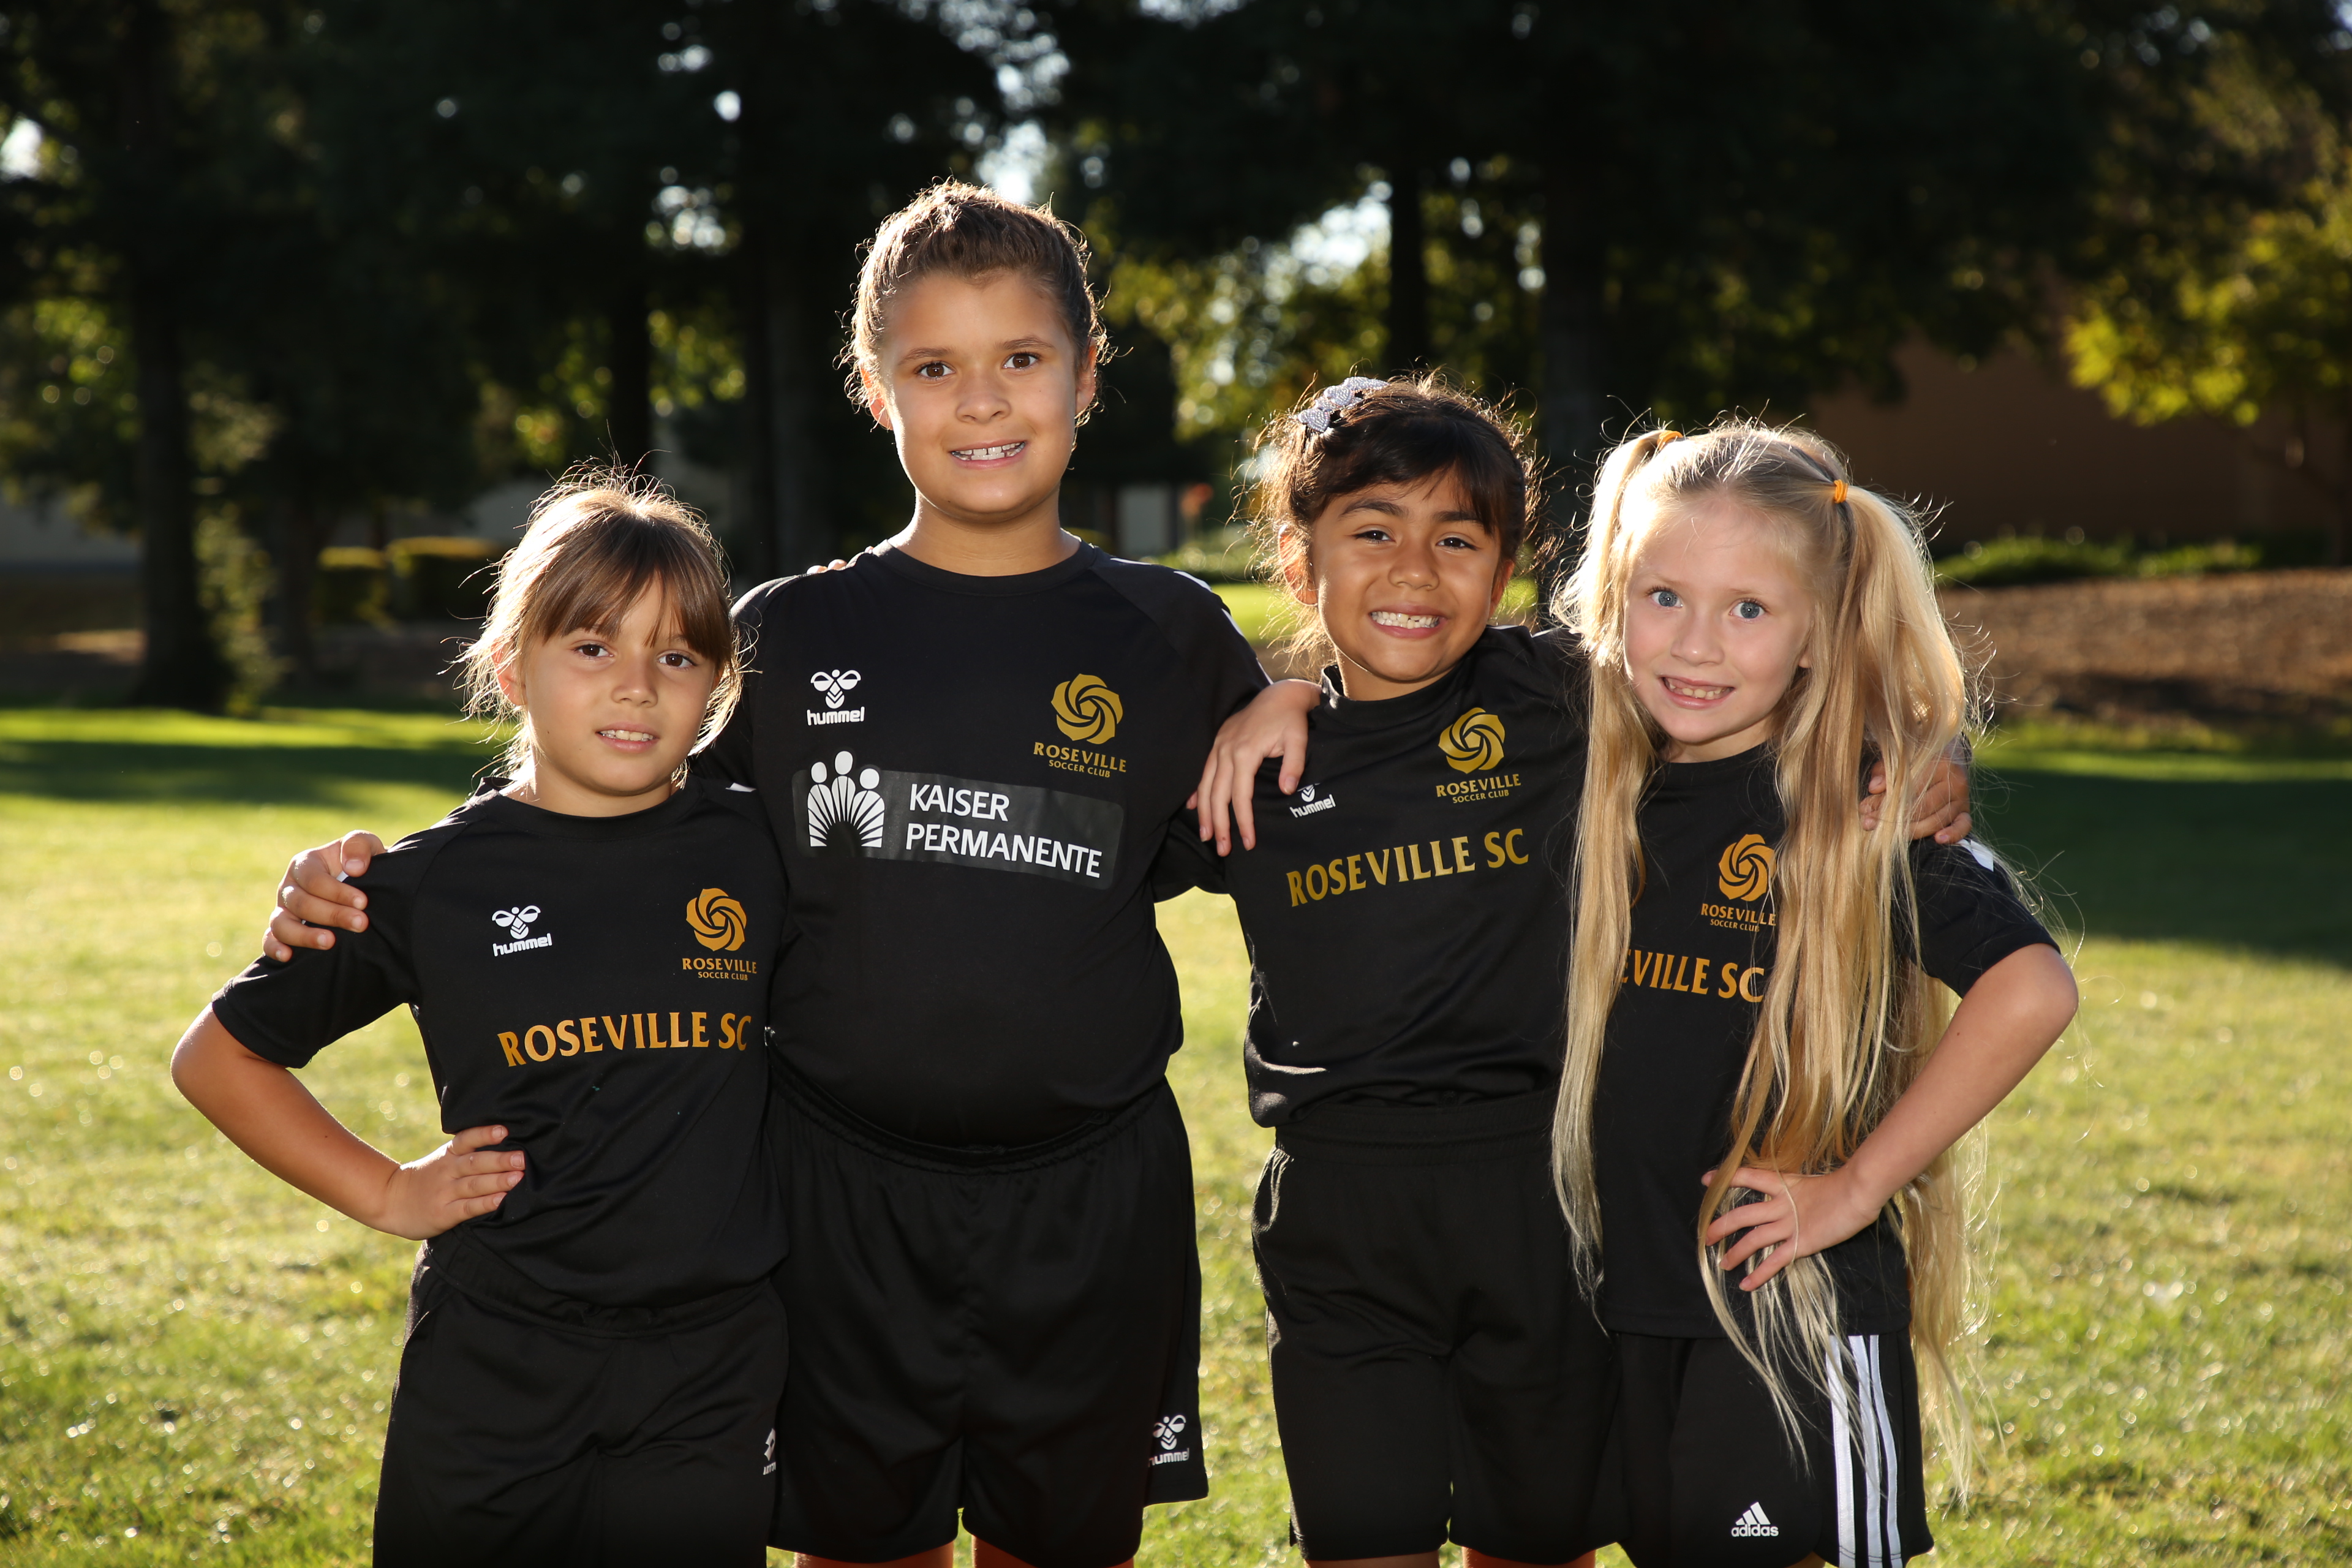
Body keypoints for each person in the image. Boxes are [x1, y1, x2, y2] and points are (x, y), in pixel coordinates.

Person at [261, 182, 1265, 1568]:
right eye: (934, 367)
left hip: (1091, 1198)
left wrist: (1297, 696)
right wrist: (365, 876)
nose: (981, 400)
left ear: (1087, 377)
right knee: (860, 1543)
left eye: (1022, 359)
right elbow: (607, 795)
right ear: (875, 388)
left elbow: (1320, 812)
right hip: (835, 1195)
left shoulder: (1175, 634)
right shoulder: (790, 636)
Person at [1169, 384, 1975, 1568]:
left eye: (1457, 540)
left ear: (1506, 574)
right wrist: (1277, 694)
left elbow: (1753, 659)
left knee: (1539, 1541)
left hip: (1546, 1204)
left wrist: (1925, 749)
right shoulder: (1257, 764)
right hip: (1341, 1220)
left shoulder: (1562, 698)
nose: (1413, 570)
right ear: (1299, 561)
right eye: (1373, 531)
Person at [176, 476, 789, 1566]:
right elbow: (218, 1060)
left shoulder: (762, 850)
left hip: (709, 1367)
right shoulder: (431, 884)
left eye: (677, 656)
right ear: (510, 667)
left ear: (717, 688)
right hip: (499, 1358)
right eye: (593, 647)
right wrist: (387, 1191)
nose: (637, 685)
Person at [1552, 423, 2078, 1568]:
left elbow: (2032, 989)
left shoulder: (1859, 805)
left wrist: (1853, 1191)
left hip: (1788, 1314)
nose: (1696, 643)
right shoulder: (1590, 776)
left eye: (1749, 609)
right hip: (1627, 1302)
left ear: (1820, 633)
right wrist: (1277, 706)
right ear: (1613, 597)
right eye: (1663, 596)